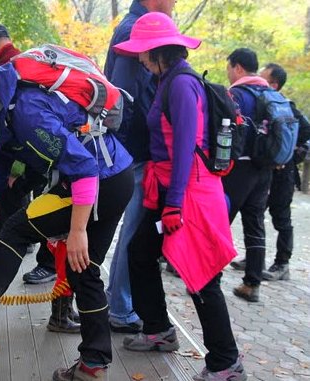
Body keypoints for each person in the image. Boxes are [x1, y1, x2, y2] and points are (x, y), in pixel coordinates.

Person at [0, 61, 134, 381]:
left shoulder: (26, 113)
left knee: (17, 228)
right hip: (116, 177)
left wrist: (76, 230)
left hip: (98, 182)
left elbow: (85, 167)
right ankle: (93, 365)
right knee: (83, 271)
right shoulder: (3, 120)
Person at [114, 13, 247, 381]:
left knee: (202, 276)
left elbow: (186, 146)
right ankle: (158, 329)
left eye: (142, 52)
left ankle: (226, 362)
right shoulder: (165, 79)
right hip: (171, 189)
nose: (138, 58)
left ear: (158, 52)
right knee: (139, 252)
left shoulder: (182, 85)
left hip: (190, 193)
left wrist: (173, 204)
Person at [103, 0, 175, 334]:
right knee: (132, 231)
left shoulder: (135, 25)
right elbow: (124, 98)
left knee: (129, 230)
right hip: (133, 152)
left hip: (130, 151)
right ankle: (119, 306)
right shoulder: (135, 30)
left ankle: (118, 303)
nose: (175, 4)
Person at [0, 24, 58, 287]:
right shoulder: (18, 60)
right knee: (38, 199)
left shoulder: (9, 68)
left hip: (52, 154)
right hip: (42, 155)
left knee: (49, 199)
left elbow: (18, 129)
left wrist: (16, 171)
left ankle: (49, 264)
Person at [231, 63, 310, 281]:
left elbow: (306, 133)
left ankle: (282, 263)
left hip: (279, 172)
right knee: (255, 218)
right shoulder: (271, 104)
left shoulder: (283, 106)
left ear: (274, 84)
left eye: (264, 78)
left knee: (280, 216)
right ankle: (253, 264)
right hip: (266, 170)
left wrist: (293, 156)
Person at [223, 48, 273, 303]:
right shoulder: (272, 93)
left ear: (238, 68)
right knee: (255, 225)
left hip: (239, 169)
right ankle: (252, 283)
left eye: (229, 67)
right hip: (265, 169)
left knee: (220, 221)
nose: (228, 72)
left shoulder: (238, 94)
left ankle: (207, 279)